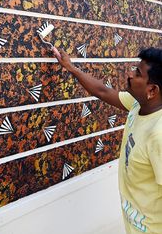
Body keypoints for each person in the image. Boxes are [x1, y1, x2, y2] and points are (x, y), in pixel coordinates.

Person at [53, 47, 162, 234]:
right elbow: (102, 91)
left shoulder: (158, 135)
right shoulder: (138, 105)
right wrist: (71, 67)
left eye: (137, 73)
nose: (129, 74)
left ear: (152, 90)